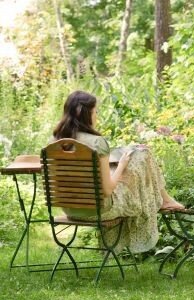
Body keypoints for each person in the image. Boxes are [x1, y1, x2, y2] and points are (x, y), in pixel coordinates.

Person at [52, 90, 184, 253]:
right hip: (100, 211)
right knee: (143, 157)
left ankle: (164, 198)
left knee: (137, 157)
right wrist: (121, 165)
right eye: (95, 112)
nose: (96, 116)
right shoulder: (96, 142)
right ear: (84, 113)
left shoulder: (54, 142)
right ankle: (164, 199)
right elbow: (107, 189)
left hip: (71, 210)